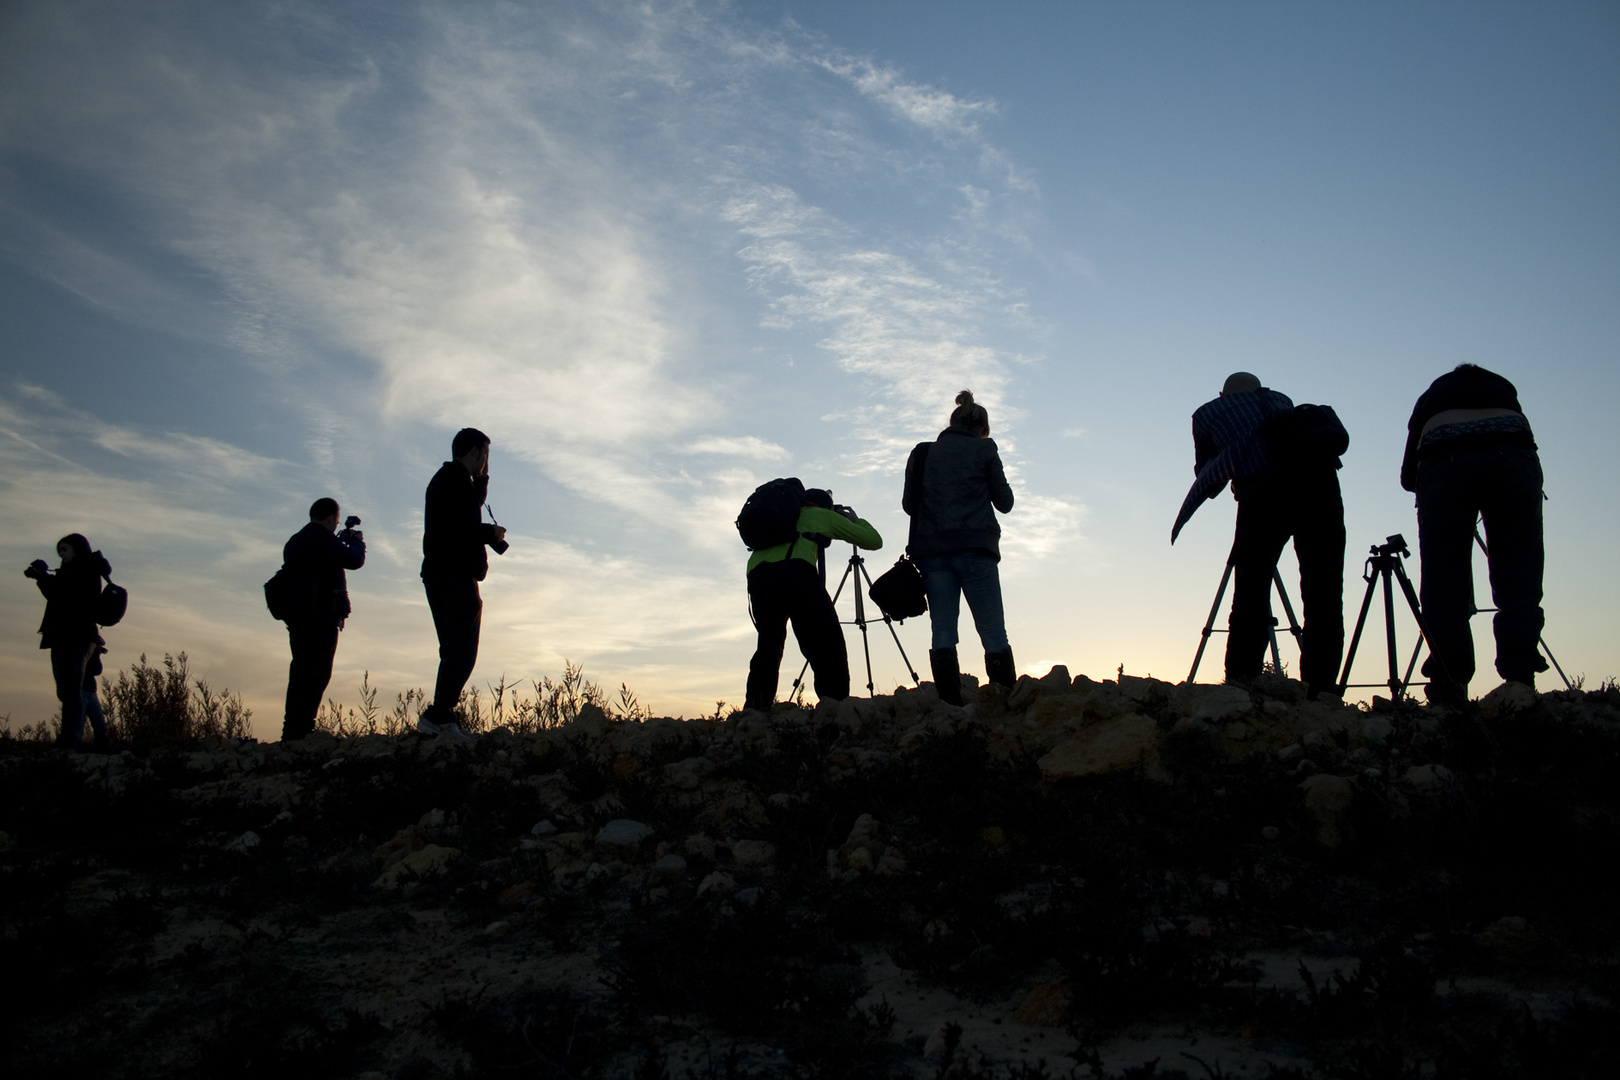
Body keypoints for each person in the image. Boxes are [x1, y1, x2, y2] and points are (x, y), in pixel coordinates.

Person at [1172, 373, 1346, 698]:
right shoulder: (1282, 401)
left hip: (1263, 495)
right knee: (1324, 593)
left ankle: (1243, 683)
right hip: (1322, 489)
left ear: (1223, 394)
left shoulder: (1209, 413)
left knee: (1251, 592)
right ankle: (1321, 692)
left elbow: (1209, 480)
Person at [1401, 363, 1544, 704]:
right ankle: (1520, 679)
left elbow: (1408, 477)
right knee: (1519, 573)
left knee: (1444, 581)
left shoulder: (1430, 399)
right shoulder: (1506, 395)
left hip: (1444, 466)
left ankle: (1448, 687)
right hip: (1513, 458)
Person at [902, 390, 1017, 705]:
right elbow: (1005, 503)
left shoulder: (922, 453)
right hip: (976, 550)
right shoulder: (984, 450)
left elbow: (909, 505)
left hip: (933, 553)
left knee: (942, 632)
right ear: (981, 429)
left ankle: (950, 707)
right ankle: (1004, 703)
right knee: (993, 632)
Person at [744, 488, 882, 711]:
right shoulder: (823, 516)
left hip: (758, 576)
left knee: (769, 645)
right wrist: (855, 520)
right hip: (796, 572)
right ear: (825, 506)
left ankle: (755, 710)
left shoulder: (784, 516)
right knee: (827, 643)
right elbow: (874, 541)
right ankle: (834, 708)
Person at [419, 427, 507, 740]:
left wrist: (482, 478)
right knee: (462, 648)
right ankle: (439, 715)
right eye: (484, 454)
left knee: (454, 647)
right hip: (454, 574)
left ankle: (439, 717)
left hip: (439, 573)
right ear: (472, 451)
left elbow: (469, 507)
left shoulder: (450, 480)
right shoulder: (454, 480)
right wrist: (489, 534)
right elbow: (460, 528)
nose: (486, 460)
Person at [279, 497, 366, 741]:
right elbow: (354, 561)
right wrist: (357, 543)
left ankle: (293, 727)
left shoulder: (295, 541)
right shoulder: (323, 538)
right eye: (335, 522)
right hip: (322, 616)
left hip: (298, 616)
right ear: (330, 518)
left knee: (300, 670)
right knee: (318, 672)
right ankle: (304, 728)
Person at [24, 533, 112, 750]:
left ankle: (69, 741)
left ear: (77, 549)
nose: (61, 555)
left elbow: (63, 596)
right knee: (82, 689)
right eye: (60, 551)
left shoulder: (83, 571)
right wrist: (43, 577)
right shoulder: (80, 571)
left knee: (69, 689)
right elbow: (60, 594)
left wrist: (42, 577)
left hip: (74, 636)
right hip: (74, 635)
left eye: (65, 549)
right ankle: (101, 737)